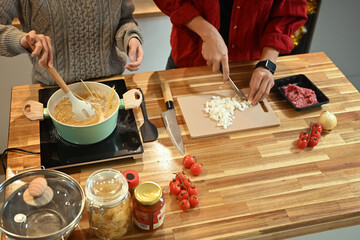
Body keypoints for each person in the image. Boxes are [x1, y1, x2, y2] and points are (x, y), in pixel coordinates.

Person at [153, 0, 307, 104]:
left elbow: (289, 11)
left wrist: (267, 64)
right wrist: (207, 32)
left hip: (248, 66)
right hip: (192, 56)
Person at [0, 0, 144, 85]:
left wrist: (130, 37)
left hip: (111, 84)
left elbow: (124, 19)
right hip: (53, 89)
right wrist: (21, 41)